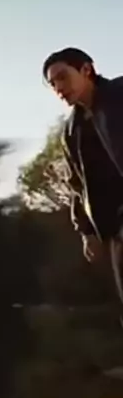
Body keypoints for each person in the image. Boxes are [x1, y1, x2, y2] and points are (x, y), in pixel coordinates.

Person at [43, 47, 123, 306]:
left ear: (86, 70)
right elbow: (77, 184)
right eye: (52, 84)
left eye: (63, 77)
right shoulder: (71, 131)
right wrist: (86, 231)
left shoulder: (119, 94)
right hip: (116, 227)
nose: (58, 88)